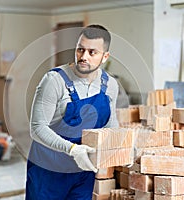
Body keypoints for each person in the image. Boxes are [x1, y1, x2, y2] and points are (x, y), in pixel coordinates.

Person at [26, 24, 119, 200]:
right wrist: (73, 150)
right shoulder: (54, 81)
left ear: (105, 56)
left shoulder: (110, 85)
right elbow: (37, 128)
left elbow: (110, 123)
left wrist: (122, 146)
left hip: (83, 171)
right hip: (48, 171)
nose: (83, 57)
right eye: (80, 49)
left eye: (92, 52)